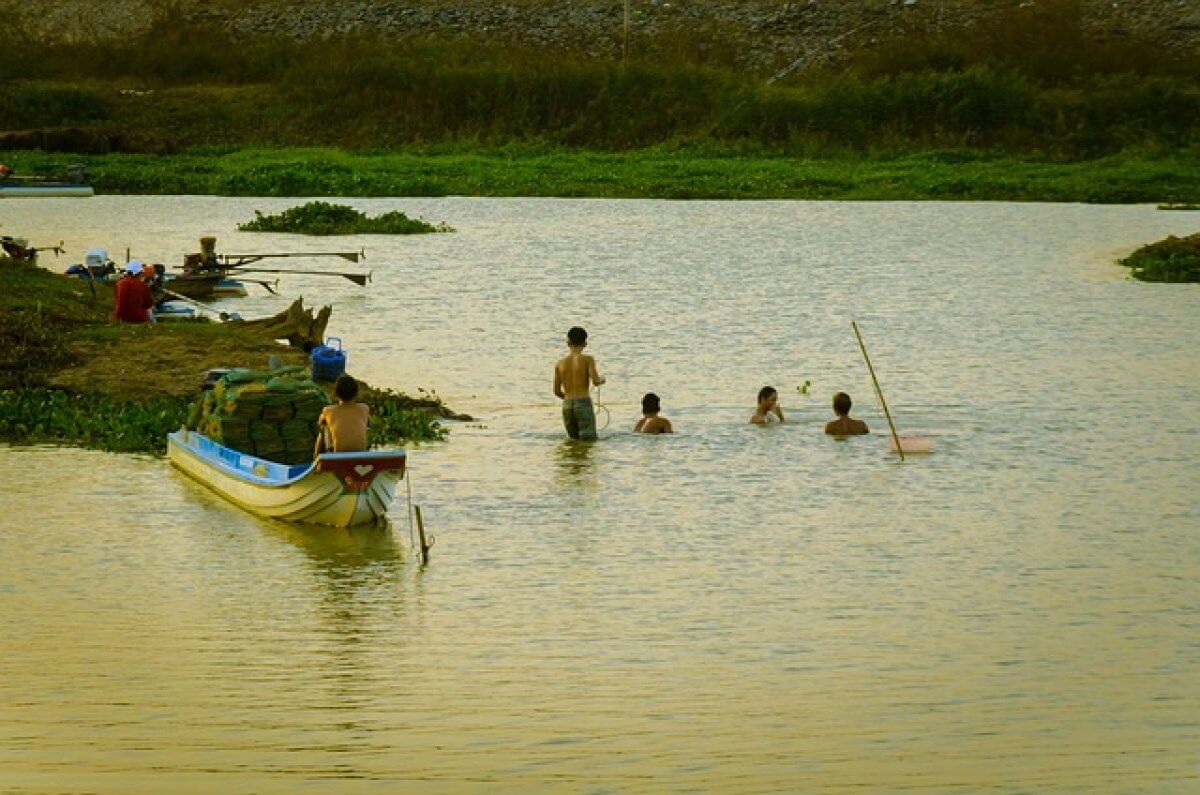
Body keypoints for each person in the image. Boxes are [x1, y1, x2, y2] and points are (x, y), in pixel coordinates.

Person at [553, 326, 605, 441]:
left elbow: (556, 391)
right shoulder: (588, 359)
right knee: (589, 441)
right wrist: (602, 379)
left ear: (568, 342)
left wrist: (568, 399)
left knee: (573, 441)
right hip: (583, 403)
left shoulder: (559, 364)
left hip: (567, 405)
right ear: (585, 343)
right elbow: (596, 381)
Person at [315, 374, 370, 456]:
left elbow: (320, 423)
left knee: (324, 429)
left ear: (336, 394)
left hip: (339, 456)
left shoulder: (328, 410)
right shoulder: (364, 408)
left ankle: (317, 461)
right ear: (356, 393)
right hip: (360, 455)